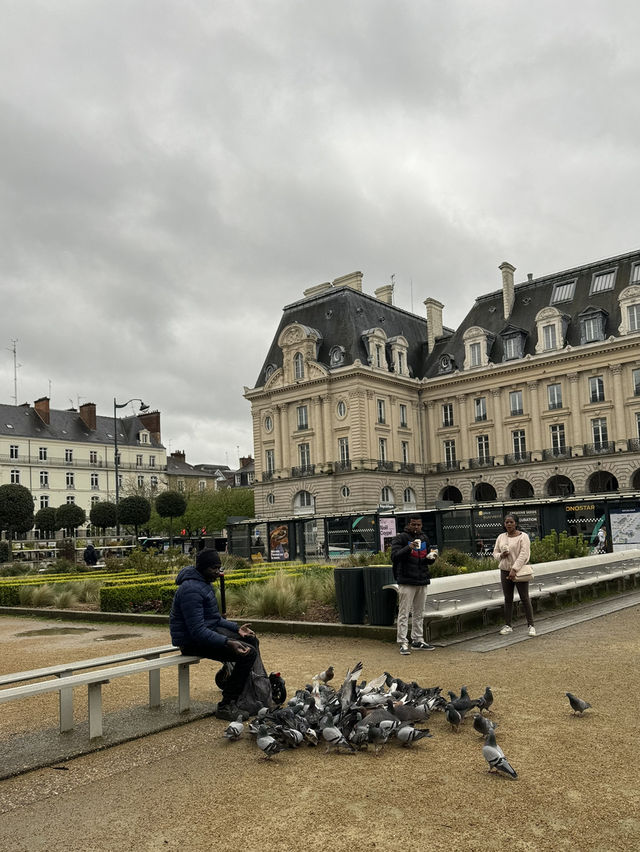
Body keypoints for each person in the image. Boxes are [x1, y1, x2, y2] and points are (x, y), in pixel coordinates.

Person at [169, 548, 259, 720]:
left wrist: (236, 629)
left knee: (250, 641)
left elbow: (214, 619)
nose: (218, 573)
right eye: (214, 568)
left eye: (219, 568)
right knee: (248, 654)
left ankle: (244, 693)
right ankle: (226, 705)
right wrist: (227, 641)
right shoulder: (191, 590)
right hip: (190, 643)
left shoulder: (203, 583)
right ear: (202, 568)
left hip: (202, 636)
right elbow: (197, 631)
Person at [391, 515, 437, 654]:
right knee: (404, 612)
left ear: (421, 525)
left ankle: (418, 639)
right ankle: (403, 641)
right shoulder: (401, 538)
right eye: (413, 524)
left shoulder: (424, 538)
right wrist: (408, 547)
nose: (416, 527)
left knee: (419, 612)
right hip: (406, 579)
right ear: (408, 524)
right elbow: (394, 557)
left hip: (421, 578)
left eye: (418, 525)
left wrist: (432, 557)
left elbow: (426, 557)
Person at [493, 513, 536, 637]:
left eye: (511, 522)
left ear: (516, 523)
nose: (509, 524)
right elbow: (495, 552)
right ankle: (508, 625)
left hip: (519, 571)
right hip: (505, 570)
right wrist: (501, 555)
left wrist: (514, 569)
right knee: (508, 598)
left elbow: (524, 554)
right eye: (507, 522)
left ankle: (531, 625)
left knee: (524, 597)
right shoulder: (501, 537)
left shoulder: (523, 537)